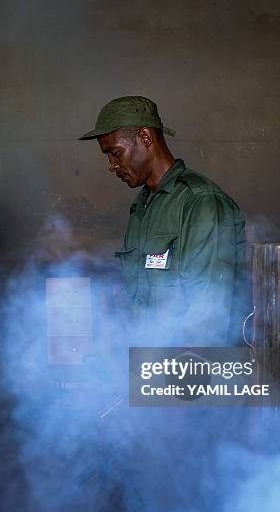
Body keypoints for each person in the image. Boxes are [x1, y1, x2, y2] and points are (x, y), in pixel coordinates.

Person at [79, 95, 247, 346]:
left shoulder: (200, 202)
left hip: (190, 371)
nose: (112, 166)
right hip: (151, 370)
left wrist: (171, 377)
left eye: (115, 153)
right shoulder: (143, 207)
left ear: (145, 138)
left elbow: (208, 317)